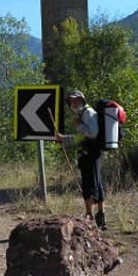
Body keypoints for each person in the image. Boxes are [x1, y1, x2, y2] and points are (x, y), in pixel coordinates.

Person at [57, 89, 107, 229]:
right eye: (71, 101)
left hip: (91, 152)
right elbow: (82, 137)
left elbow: (92, 133)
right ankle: (98, 216)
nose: (73, 103)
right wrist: (65, 139)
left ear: (82, 100)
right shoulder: (83, 114)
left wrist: (78, 126)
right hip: (89, 152)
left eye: (75, 100)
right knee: (94, 182)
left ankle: (91, 216)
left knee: (91, 183)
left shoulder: (88, 113)